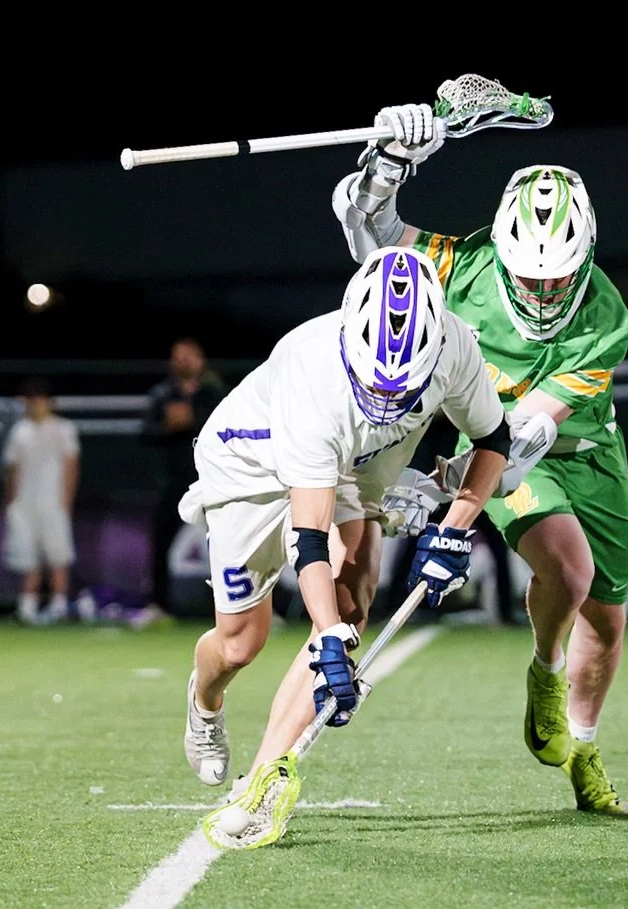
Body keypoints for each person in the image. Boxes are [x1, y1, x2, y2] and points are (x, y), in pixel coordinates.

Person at [334, 104, 628, 815]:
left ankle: (585, 746)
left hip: (582, 451)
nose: (538, 292)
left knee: (608, 618)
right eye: (526, 277)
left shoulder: (606, 314)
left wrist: (435, 490)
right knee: (569, 568)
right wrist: (388, 164)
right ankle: (545, 670)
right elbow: (370, 237)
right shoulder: (462, 264)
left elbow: (538, 427)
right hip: (497, 448)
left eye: (555, 280)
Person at [180, 246, 519, 849]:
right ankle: (204, 705)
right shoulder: (312, 374)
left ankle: (262, 778)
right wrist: (328, 637)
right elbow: (308, 537)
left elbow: (494, 439)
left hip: (355, 469)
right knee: (241, 642)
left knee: (354, 598)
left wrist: (457, 525)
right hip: (250, 464)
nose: (389, 404)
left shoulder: (455, 347)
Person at [141, 337, 228, 619]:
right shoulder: (162, 394)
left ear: (201, 360)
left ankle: (249, 608)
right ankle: (159, 606)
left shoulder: (215, 393)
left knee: (233, 542)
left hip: (213, 481)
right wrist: (168, 426)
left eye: (189, 355)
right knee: (160, 545)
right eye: (178, 356)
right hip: (173, 482)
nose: (184, 362)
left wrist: (194, 420)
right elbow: (145, 435)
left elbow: (230, 430)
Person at [0, 377, 81, 625]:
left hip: (53, 501)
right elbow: (12, 469)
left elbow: (71, 465)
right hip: (25, 504)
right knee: (27, 556)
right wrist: (12, 501)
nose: (35, 405)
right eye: (31, 400)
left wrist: (66, 498)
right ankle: (27, 607)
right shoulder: (19, 431)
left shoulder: (63, 429)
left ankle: (58, 605)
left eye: (39, 400)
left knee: (58, 554)